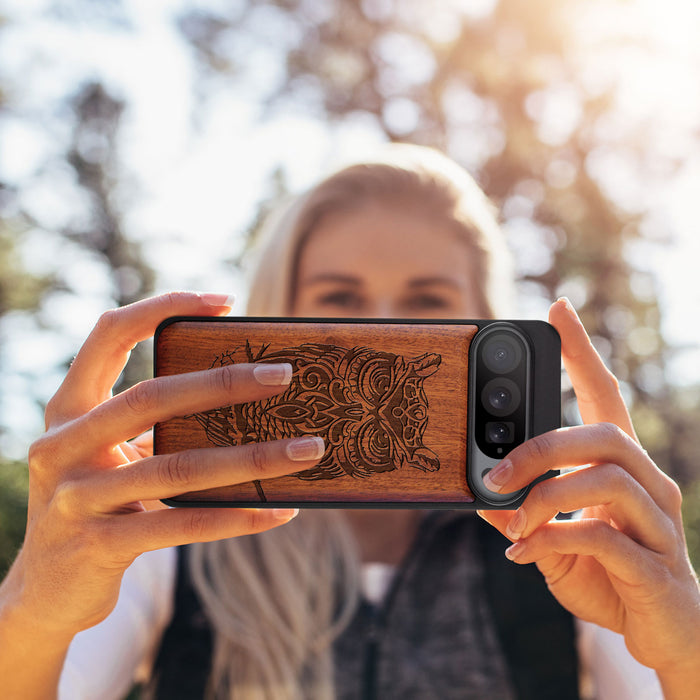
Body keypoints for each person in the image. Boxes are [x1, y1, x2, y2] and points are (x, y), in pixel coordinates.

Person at [0, 145, 698, 700]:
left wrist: (685, 648)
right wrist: (34, 607)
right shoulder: (170, 535)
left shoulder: (567, 544)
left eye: (428, 302)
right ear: (279, 311)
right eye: (340, 298)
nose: (386, 327)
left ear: (486, 323)